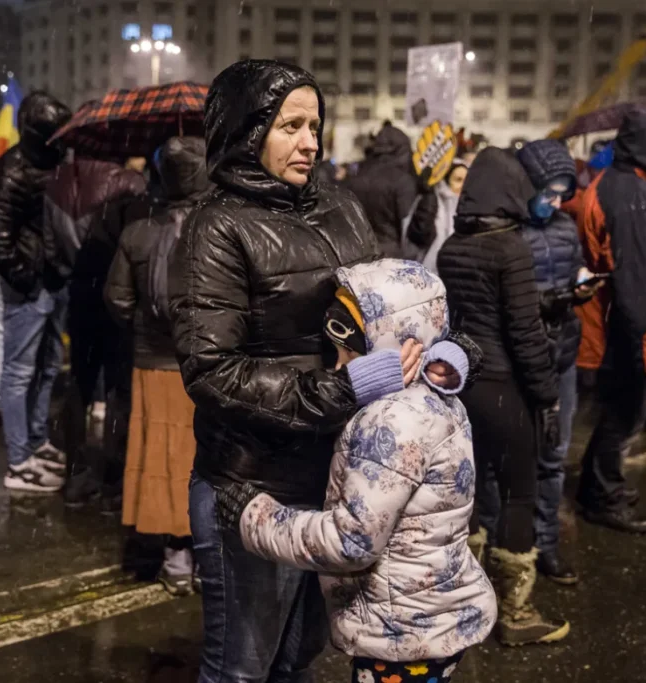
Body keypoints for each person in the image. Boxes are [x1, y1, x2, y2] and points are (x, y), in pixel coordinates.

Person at [170, 59, 477, 683]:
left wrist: (442, 351)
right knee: (242, 669)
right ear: (246, 132)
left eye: (314, 124)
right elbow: (214, 372)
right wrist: (347, 387)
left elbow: (389, 310)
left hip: (339, 482)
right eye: (290, 125)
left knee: (303, 656)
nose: (310, 141)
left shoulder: (340, 204)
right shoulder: (215, 229)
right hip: (256, 484)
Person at [215, 259, 495, 681]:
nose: (337, 365)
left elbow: (352, 543)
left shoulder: (389, 421)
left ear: (391, 342)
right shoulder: (437, 393)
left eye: (349, 348)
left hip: (401, 629)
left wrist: (255, 517)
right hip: (432, 613)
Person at [437, 147, 569, 646]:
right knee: (518, 493)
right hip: (505, 388)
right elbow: (525, 334)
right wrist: (548, 395)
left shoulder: (454, 246)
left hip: (464, 385)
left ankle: (464, 602)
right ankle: (515, 613)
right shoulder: (509, 247)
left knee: (466, 499)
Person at [105, 136, 210, 594]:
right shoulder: (222, 230)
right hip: (206, 366)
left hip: (152, 364)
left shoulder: (137, 232)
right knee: (204, 462)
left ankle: (175, 557)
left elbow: (118, 299)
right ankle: (209, 555)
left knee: (164, 463)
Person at [575, 112, 646, 533]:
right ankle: (605, 495)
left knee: (618, 413)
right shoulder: (632, 198)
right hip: (632, 328)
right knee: (625, 417)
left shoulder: (620, 185)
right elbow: (639, 282)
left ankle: (597, 485)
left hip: (623, 322)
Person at [42, 148, 146, 506]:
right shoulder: (129, 185)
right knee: (119, 392)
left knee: (79, 387)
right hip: (117, 299)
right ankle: (114, 479)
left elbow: (50, 250)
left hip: (80, 294)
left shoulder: (59, 185)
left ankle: (75, 474)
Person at [515, 139, 598, 585]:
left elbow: (576, 269)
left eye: (562, 193)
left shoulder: (567, 228)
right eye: (548, 191)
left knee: (555, 454)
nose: (555, 201)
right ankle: (511, 543)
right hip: (521, 361)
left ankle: (546, 543)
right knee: (515, 457)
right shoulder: (507, 231)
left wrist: (582, 283)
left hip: (562, 354)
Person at [0, 91, 72, 493]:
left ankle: (36, 441)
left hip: (51, 281)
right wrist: (28, 278)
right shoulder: (11, 172)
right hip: (32, 285)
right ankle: (19, 460)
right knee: (18, 373)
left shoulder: (53, 162)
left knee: (48, 366)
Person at [344, 122, 417, 258]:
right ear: (402, 150)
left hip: (357, 253)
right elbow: (408, 227)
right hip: (392, 255)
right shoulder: (402, 181)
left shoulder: (355, 176)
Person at [404, 159, 468, 273]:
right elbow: (419, 235)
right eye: (458, 180)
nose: (463, 185)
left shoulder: (471, 206)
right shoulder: (433, 202)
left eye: (466, 181)